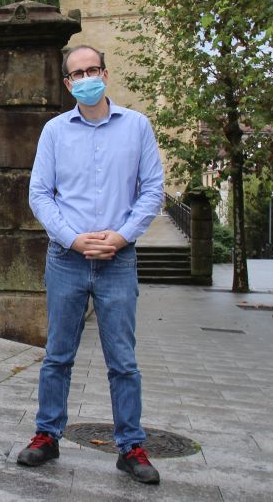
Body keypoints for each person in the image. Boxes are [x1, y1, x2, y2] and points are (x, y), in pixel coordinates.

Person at [22, 45, 164, 484]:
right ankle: (47, 435)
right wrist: (73, 238)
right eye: (76, 73)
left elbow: (153, 191)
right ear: (67, 84)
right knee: (57, 355)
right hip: (67, 258)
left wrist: (121, 236)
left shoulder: (137, 127)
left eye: (92, 70)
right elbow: (39, 193)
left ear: (105, 73)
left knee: (122, 359)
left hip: (118, 259)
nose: (86, 78)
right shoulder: (54, 132)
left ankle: (131, 446)